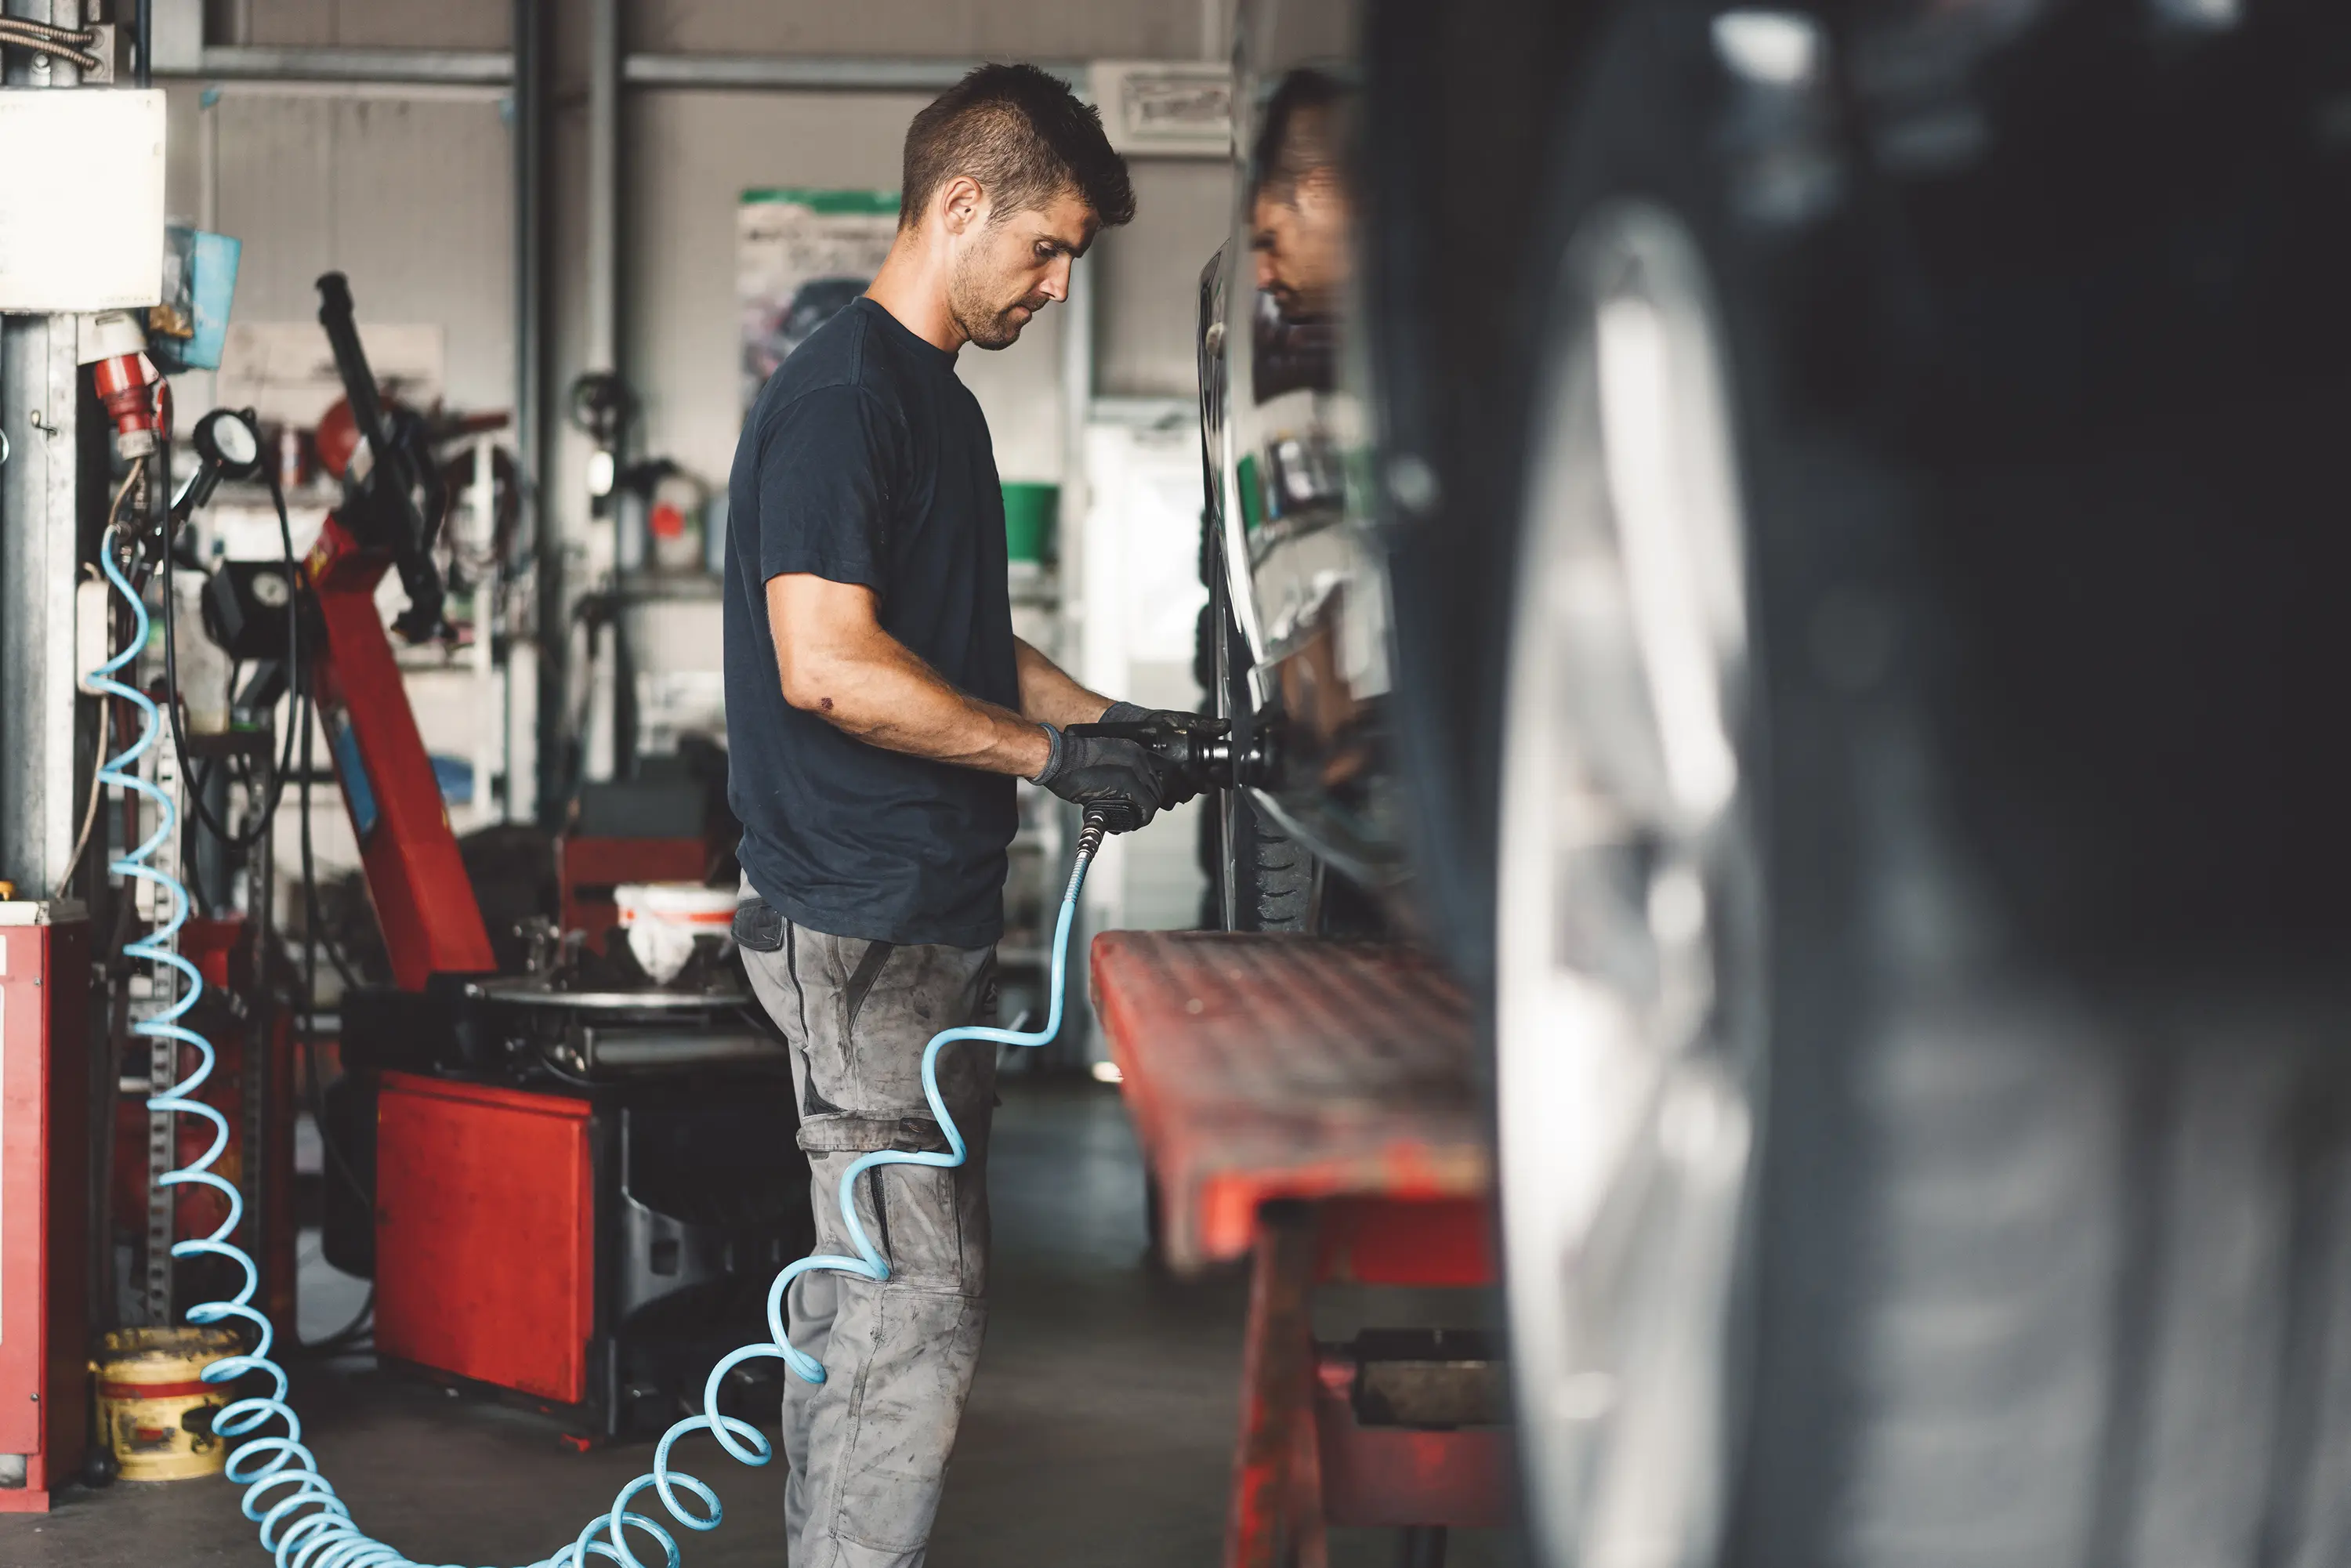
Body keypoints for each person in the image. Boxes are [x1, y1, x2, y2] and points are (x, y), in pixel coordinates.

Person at [722, 63, 1190, 1567]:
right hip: (859, 931)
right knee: (912, 1309)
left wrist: (1121, 725)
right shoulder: (844, 397)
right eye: (1046, 247)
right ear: (961, 203)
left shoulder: (933, 402)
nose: (1057, 284)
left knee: (871, 1295)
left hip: (911, 926)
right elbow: (830, 667)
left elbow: (961, 651)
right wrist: (1043, 764)